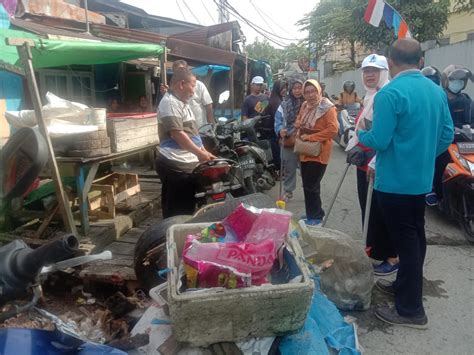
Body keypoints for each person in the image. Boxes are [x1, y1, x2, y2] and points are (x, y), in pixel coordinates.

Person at [358, 39, 453, 329]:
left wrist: (359, 133)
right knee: (415, 239)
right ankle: (404, 288)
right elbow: (447, 135)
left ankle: (411, 310)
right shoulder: (436, 92)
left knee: (407, 244)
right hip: (420, 182)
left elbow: (380, 140)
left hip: (395, 183)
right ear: (420, 61)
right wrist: (422, 155)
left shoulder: (390, 93)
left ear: (391, 62)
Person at [346, 53, 398, 275]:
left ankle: (392, 257)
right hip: (364, 163)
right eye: (366, 71)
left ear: (384, 72)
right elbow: (363, 128)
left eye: (374, 71)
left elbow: (388, 135)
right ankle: (373, 249)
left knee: (383, 210)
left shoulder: (386, 96)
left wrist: (374, 160)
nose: (369, 75)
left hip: (380, 163)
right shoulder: (369, 97)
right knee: (367, 207)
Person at [156, 67, 216, 218]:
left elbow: (192, 133)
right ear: (181, 84)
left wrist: (204, 151)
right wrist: (200, 154)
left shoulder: (182, 102)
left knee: (187, 208)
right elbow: (177, 134)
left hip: (187, 163)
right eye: (193, 85)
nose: (194, 91)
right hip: (176, 165)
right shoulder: (170, 102)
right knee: (177, 213)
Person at [295, 79, 338, 225]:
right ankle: (313, 213)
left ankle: (316, 218)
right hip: (304, 150)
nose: (310, 95)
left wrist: (312, 137)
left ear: (319, 90)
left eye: (313, 91)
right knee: (308, 184)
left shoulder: (327, 107)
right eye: (306, 92)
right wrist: (298, 123)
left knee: (311, 185)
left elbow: (333, 130)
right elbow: (299, 119)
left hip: (319, 151)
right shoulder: (305, 106)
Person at [275, 78, 304, 201]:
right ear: (290, 90)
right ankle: (288, 191)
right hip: (289, 139)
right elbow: (278, 120)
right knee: (289, 167)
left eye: (299, 88)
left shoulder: (308, 104)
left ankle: (309, 188)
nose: (297, 91)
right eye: (294, 88)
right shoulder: (284, 104)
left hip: (305, 139)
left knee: (307, 167)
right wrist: (280, 129)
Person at [172, 60, 214, 128]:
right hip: (184, 128)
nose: (179, 73)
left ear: (187, 70)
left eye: (181, 70)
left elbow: (208, 106)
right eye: (176, 71)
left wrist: (210, 125)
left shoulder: (199, 85)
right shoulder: (174, 89)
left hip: (201, 127)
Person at [267, 80, 287, 172]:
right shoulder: (277, 102)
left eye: (285, 88)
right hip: (273, 131)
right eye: (282, 88)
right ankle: (279, 171)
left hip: (268, 131)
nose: (285, 90)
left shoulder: (269, 98)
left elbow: (259, 111)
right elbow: (279, 120)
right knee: (277, 152)